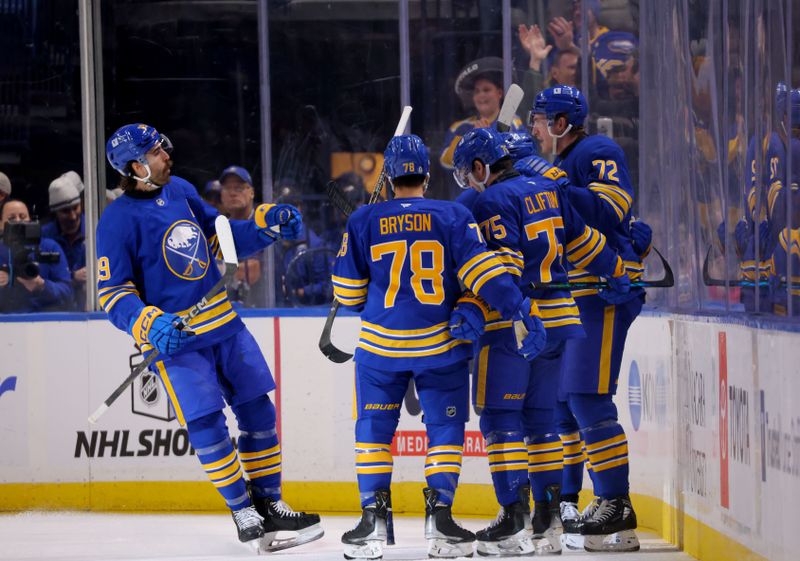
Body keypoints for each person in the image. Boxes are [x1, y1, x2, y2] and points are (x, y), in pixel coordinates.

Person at [99, 123, 322, 551]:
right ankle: (242, 508)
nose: (167, 153)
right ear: (134, 166)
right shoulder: (116, 221)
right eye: (156, 151)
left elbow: (222, 239)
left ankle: (271, 503)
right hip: (177, 339)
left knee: (259, 411)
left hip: (224, 325)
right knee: (205, 422)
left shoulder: (181, 189)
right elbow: (113, 294)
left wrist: (266, 226)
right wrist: (147, 323)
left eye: (163, 146)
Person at [333, 134, 546, 560]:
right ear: (427, 177)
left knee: (373, 432)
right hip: (440, 345)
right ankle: (441, 522)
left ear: (389, 176)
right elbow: (485, 274)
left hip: (380, 348)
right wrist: (519, 306)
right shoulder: (452, 214)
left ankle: (372, 523)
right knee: (445, 431)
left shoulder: (363, 219)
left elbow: (348, 293)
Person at [452, 127, 630, 556]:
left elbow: (504, 266)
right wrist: (618, 269)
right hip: (561, 318)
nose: (468, 183)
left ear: (481, 167)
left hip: (517, 323)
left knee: (500, 420)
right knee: (541, 423)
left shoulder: (493, 199)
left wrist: (504, 311)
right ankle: (548, 523)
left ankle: (513, 519)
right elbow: (584, 241)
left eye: (466, 175)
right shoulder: (549, 190)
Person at [530, 85, 645, 552]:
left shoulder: (598, 149)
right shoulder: (557, 161)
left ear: (560, 123)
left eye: (540, 120)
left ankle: (616, 503)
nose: (534, 128)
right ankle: (596, 503)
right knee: (566, 403)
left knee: (587, 398)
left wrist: (562, 186)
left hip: (603, 290)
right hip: (576, 294)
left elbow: (615, 208)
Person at [440, 57, 526, 173]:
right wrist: (471, 140)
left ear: (499, 93)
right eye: (477, 91)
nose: (481, 96)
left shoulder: (513, 122)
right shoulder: (459, 127)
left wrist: (487, 139)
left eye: (486, 90)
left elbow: (521, 157)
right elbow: (445, 162)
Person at [0, 199, 72, 313]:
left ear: (30, 220)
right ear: (1, 224)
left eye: (23, 216)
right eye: (11, 218)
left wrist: (42, 286)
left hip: (45, 321)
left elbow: (68, 293)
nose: (19, 221)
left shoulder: (50, 247)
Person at [218, 165, 266, 307]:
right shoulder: (219, 226)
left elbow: (251, 271)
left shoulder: (263, 223)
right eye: (227, 188)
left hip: (263, 307)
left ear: (251, 192)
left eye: (239, 188)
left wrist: (217, 269)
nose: (232, 193)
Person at [43, 172, 87, 310]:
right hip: (55, 307)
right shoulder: (43, 237)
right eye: (66, 211)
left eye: (75, 208)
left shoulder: (95, 230)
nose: (73, 216)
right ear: (55, 212)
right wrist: (72, 276)